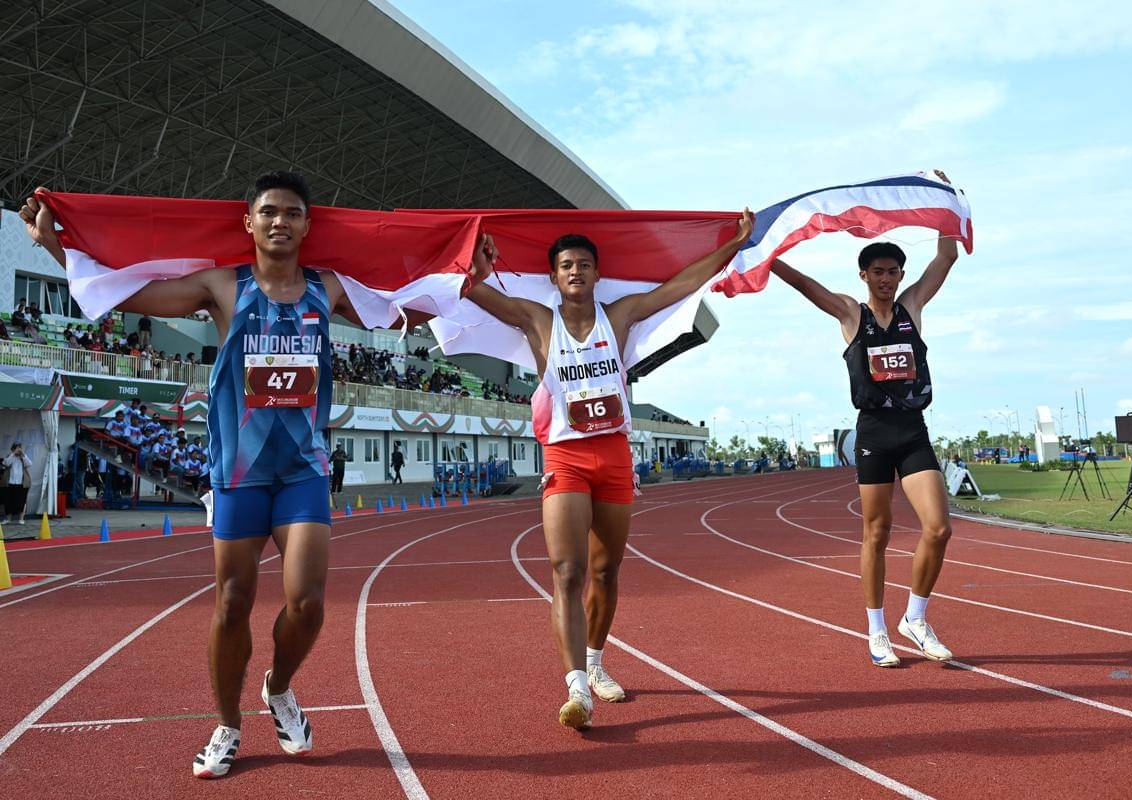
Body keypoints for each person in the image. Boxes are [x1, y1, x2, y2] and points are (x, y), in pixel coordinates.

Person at [19, 170, 436, 779]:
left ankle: (278, 687)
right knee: (232, 601)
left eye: (292, 213)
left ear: (307, 225)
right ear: (249, 222)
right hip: (239, 471)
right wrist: (55, 246)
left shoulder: (330, 289)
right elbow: (133, 294)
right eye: (268, 211)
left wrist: (464, 276)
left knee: (308, 603)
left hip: (303, 469)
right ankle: (227, 724)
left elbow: (404, 310)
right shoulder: (224, 286)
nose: (279, 222)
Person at [463, 210, 753, 730]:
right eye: (567, 265)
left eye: (584, 265)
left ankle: (596, 661)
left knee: (605, 571)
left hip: (615, 456)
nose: (576, 272)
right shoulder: (539, 320)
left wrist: (731, 246)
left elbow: (680, 285)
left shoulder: (617, 317)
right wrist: (476, 267)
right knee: (568, 572)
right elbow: (480, 296)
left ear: (598, 274)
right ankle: (577, 687)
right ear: (554, 276)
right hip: (566, 458)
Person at [769, 170, 962, 668]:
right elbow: (806, 286)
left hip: (912, 430)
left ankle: (914, 618)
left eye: (893, 271)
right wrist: (767, 255)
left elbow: (946, 258)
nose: (886, 278)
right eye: (877, 271)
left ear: (900, 276)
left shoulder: (912, 308)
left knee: (938, 527)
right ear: (864, 275)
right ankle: (876, 628)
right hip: (874, 432)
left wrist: (949, 203)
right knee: (876, 532)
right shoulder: (851, 317)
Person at [2, 443, 33, 525]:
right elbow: (6, 463)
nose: (18, 450)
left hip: (21, 483)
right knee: (8, 501)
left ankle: (21, 519)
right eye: (16, 448)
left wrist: (23, 455)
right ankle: (8, 519)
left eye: (20, 448)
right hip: (10, 483)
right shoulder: (9, 456)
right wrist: (13, 454)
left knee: (22, 501)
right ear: (12, 449)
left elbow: (29, 464)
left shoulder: (23, 457)